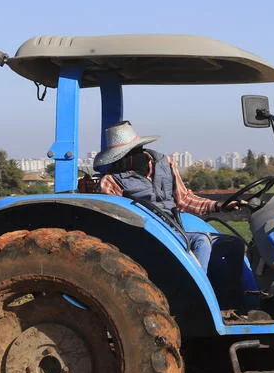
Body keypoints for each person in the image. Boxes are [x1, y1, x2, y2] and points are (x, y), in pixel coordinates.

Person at [93, 121, 249, 311]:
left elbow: (184, 199)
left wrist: (220, 206)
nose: (121, 163)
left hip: (175, 229)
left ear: (138, 149)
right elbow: (115, 222)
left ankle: (234, 304)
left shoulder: (165, 164)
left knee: (234, 244)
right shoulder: (111, 181)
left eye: (125, 155)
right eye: (118, 158)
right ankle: (198, 305)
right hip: (149, 237)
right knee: (201, 241)